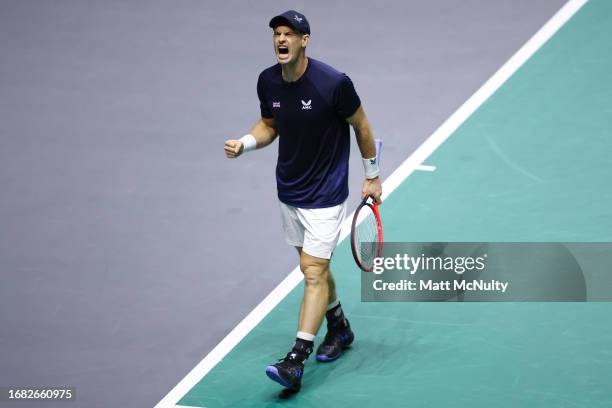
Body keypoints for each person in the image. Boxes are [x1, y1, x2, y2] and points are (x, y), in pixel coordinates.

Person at [224, 10, 382, 392]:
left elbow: (361, 125)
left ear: (304, 40)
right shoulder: (267, 81)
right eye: (277, 34)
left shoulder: (334, 84)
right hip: (289, 190)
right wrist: (245, 143)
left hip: (326, 195)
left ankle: (296, 360)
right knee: (311, 267)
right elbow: (270, 125)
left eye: (289, 34)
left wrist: (372, 174)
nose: (281, 40)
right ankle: (340, 327)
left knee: (313, 272)